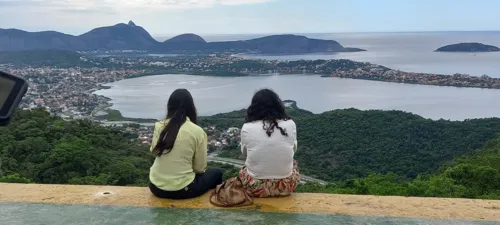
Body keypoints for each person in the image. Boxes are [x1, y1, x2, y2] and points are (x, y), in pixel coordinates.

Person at [149, 89, 222, 199]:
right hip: (183, 190)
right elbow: (199, 168)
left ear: (170, 106)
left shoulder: (159, 125)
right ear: (191, 107)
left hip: (155, 187)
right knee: (217, 173)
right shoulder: (197, 131)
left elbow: (154, 151)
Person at [239, 89, 300, 198]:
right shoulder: (290, 124)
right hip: (285, 187)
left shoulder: (247, 127)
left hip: (255, 188)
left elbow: (244, 154)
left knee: (245, 167)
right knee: (293, 162)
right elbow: (293, 150)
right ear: (278, 105)